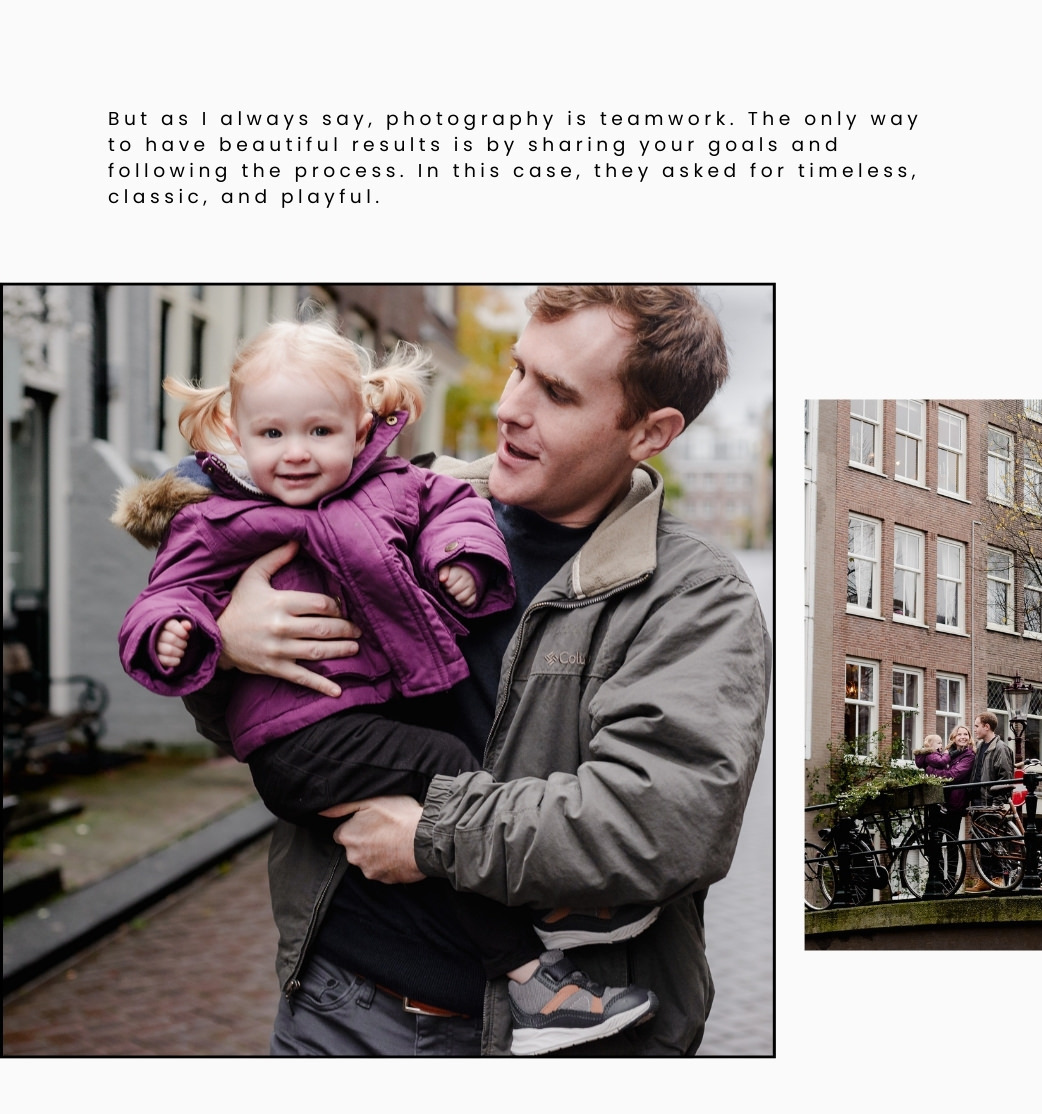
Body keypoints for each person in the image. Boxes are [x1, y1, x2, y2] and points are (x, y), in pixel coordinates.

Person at [183, 285, 772, 1057]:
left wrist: (433, 834)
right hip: (337, 1006)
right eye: (519, 369)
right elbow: (260, 731)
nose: (510, 407)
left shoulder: (694, 598)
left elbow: (662, 824)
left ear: (649, 432)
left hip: (563, 1047)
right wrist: (226, 647)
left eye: (557, 393)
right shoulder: (395, 504)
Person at [114, 318, 660, 1055]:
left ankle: (538, 962)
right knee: (449, 771)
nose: (296, 452)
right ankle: (540, 960)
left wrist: (459, 558)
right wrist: (203, 635)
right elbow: (165, 595)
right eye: (271, 434)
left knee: (433, 827)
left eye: (319, 431)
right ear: (236, 434)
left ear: (361, 427)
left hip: (358, 725)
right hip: (298, 742)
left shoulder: (394, 486)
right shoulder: (218, 522)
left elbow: (449, 510)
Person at [964, 711, 1016, 894]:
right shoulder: (980, 746)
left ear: (987, 727)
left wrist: (997, 804)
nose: (975, 729)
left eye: (977, 726)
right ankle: (985, 879)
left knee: (993, 842)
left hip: (990, 803)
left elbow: (1006, 778)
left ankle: (998, 878)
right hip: (978, 802)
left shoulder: (1000, 748)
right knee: (981, 843)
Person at [915, 726, 975, 839]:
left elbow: (953, 775)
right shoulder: (948, 752)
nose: (963, 737)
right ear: (954, 737)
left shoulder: (969, 755)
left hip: (954, 802)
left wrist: (931, 771)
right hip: (939, 800)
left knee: (951, 838)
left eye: (966, 734)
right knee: (934, 838)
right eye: (959, 734)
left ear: (969, 737)